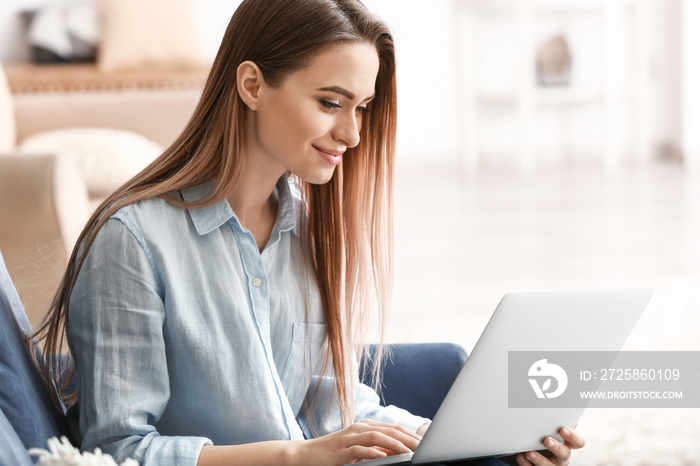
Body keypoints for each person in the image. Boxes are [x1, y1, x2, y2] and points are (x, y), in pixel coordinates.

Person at [32, 0, 586, 465]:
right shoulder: (131, 241)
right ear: (252, 85)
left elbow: (325, 404)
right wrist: (297, 457)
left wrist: (467, 442)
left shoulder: (304, 226)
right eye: (330, 102)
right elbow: (119, 450)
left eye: (362, 108)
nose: (351, 132)